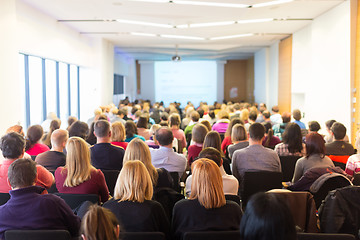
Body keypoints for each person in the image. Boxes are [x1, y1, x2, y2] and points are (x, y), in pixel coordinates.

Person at [0, 159, 80, 239]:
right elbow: (77, 228)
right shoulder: (54, 203)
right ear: (36, 179)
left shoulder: (1, 215)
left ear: (9, 182)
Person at [172, 158, 242, 240]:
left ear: (194, 181)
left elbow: (174, 236)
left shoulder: (181, 208)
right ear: (218, 179)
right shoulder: (234, 209)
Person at [103, 161, 170, 236]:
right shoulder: (155, 208)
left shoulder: (107, 208)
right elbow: (167, 236)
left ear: (120, 181)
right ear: (146, 182)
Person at [55, 137, 109, 203]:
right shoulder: (96, 174)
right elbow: (105, 199)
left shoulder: (59, 172)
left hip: (65, 212)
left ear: (68, 153)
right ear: (86, 152)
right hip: (90, 212)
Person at [232, 123, 281, 189]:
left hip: (246, 196)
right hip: (269, 196)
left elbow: (236, 179)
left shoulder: (237, 154)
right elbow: (278, 176)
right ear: (264, 137)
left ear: (248, 135)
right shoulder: (274, 154)